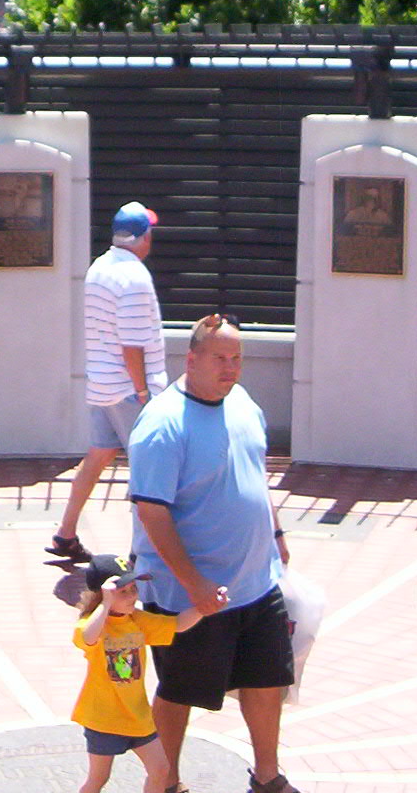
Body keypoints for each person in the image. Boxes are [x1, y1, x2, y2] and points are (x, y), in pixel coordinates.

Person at [128, 313, 296, 793]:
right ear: (192, 359)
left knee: (267, 683)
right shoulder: (161, 426)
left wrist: (277, 532)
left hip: (255, 583)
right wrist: (193, 585)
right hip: (191, 598)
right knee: (179, 692)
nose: (230, 368)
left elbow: (254, 473)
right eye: (220, 358)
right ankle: (167, 782)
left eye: (237, 358)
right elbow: (152, 515)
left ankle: (268, 778)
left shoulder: (241, 401)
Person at [49, 200, 167, 564]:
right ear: (142, 237)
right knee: (147, 472)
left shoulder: (100, 267)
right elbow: (132, 343)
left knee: (97, 457)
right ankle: (139, 555)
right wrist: (144, 391)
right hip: (128, 389)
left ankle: (65, 533)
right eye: (150, 232)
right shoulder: (134, 277)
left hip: (102, 385)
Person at [70, 553, 204, 793]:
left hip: (138, 716)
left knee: (161, 770)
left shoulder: (137, 620)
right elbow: (89, 637)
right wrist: (106, 604)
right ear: (104, 595)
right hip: (103, 719)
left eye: (134, 588)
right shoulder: (92, 624)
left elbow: (178, 625)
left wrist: (205, 608)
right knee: (98, 780)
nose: (133, 596)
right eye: (123, 592)